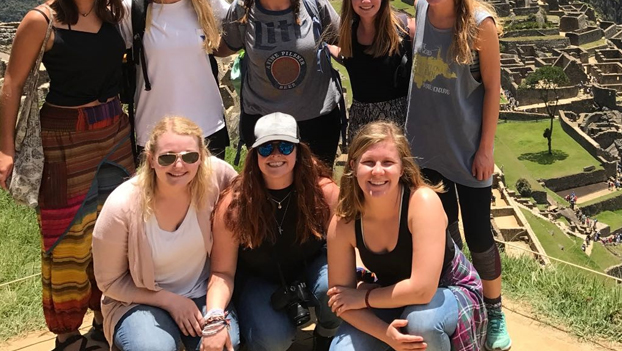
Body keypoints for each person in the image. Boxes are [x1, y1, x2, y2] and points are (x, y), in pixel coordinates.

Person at [0, 0, 135, 351]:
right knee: (64, 239)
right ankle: (65, 333)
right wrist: (4, 149)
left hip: (115, 133)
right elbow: (12, 85)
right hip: (63, 136)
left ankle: (102, 322)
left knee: (114, 231)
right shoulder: (42, 20)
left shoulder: (114, 15)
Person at [404, 0, 510, 350]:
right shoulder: (419, 8)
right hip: (425, 150)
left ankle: (495, 309)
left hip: (465, 151)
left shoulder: (480, 25)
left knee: (480, 235)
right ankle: (464, 306)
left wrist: (486, 149)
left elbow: (493, 88)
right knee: (444, 234)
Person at [326, 121, 486, 351]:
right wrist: (386, 335)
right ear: (353, 166)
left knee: (422, 323)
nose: (377, 171)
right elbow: (341, 300)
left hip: (448, 290)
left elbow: (422, 289)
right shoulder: (344, 222)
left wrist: (364, 298)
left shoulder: (422, 202)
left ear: (402, 168)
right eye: (368, 162)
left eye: (388, 162)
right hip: (390, 293)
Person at [92, 116, 240, 351]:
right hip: (141, 300)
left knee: (221, 343)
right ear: (151, 159)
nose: (179, 166)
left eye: (190, 157)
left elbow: (249, 195)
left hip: (203, 292)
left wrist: (214, 316)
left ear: (201, 157)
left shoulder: (217, 177)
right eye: (167, 158)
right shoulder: (122, 206)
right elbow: (109, 281)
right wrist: (169, 301)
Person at [206, 113, 340, 351]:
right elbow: (222, 272)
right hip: (259, 278)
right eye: (266, 147)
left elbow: (348, 249)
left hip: (310, 269)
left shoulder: (324, 194)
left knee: (335, 283)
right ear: (254, 153)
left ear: (299, 151)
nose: (276, 154)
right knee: (272, 339)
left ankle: (328, 333)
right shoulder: (236, 204)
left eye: (286, 146)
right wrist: (215, 317)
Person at [221, 0, 342, 165]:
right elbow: (226, 46)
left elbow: (342, 40)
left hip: (316, 119)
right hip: (263, 121)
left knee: (317, 192)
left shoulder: (313, 2)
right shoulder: (242, 9)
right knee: (269, 192)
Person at [120, 0, 230, 154]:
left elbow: (239, 31)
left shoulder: (206, 1)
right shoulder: (135, 8)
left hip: (206, 124)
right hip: (153, 129)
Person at [330, 0, 415, 140]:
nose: (366, 0)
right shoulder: (349, 33)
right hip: (361, 125)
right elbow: (350, 58)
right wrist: (323, 48)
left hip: (398, 125)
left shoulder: (405, 29)